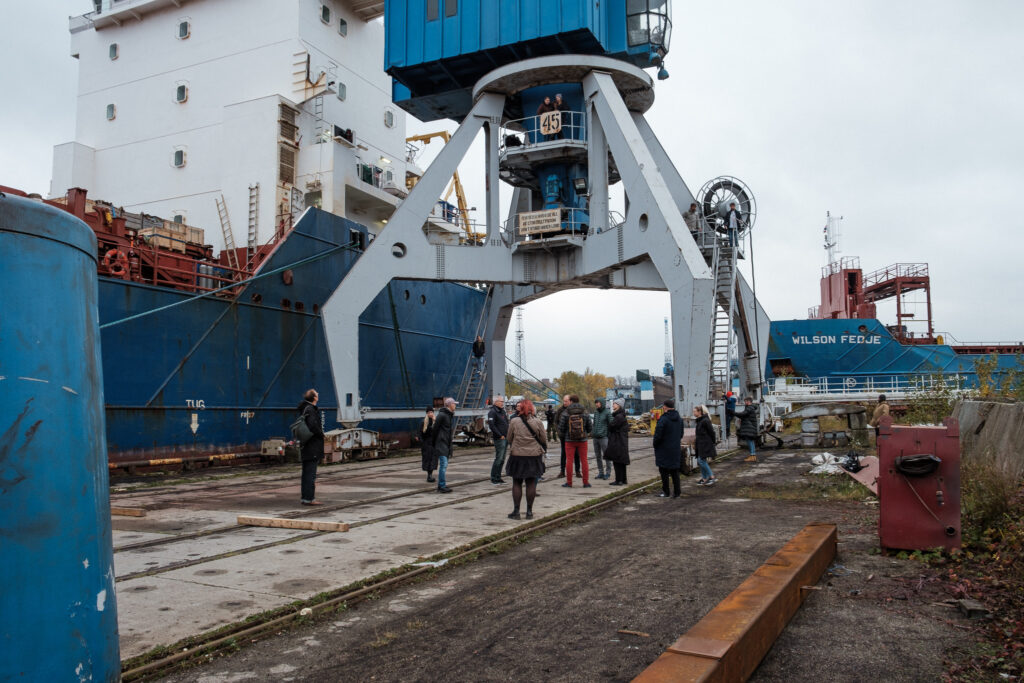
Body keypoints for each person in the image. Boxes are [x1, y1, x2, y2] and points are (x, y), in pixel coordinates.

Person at [506, 399, 547, 519]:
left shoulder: (514, 421)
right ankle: (529, 512)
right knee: (531, 483)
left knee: (517, 482)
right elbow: (543, 439)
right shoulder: (538, 422)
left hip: (517, 456)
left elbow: (509, 438)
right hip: (533, 456)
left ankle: (516, 511)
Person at [297, 388, 326, 505]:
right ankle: (309, 499)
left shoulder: (305, 408)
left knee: (306, 473)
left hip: (306, 445)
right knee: (310, 473)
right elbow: (313, 426)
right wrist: (321, 434)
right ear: (315, 398)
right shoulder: (311, 409)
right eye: (317, 393)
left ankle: (305, 497)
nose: (318, 393)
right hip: (312, 446)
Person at [558, 394, 593, 488]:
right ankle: (585, 483)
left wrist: (565, 434)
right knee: (584, 460)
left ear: (571, 401)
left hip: (569, 440)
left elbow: (561, 427)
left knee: (569, 460)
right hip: (583, 440)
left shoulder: (566, 412)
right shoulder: (584, 411)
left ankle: (569, 483)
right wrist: (585, 431)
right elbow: (590, 427)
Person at [653, 398, 683, 498]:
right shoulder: (679, 419)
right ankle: (677, 493)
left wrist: (655, 444)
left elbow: (658, 435)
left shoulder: (663, 419)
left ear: (665, 407)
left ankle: (666, 492)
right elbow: (681, 434)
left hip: (663, 449)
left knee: (664, 472)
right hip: (675, 448)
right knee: (675, 472)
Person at [431, 397, 456, 493]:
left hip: (445, 443)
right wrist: (435, 443)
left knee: (444, 464)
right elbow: (435, 429)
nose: (455, 405)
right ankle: (441, 486)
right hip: (441, 443)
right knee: (443, 464)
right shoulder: (442, 415)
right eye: (454, 404)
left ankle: (441, 485)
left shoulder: (449, 415)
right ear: (449, 405)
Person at [604, 399, 630, 485]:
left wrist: (609, 425)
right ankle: (623, 479)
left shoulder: (618, 416)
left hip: (617, 441)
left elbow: (611, 426)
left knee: (617, 461)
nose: (613, 405)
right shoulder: (621, 415)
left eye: (614, 404)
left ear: (619, 405)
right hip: (621, 440)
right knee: (621, 461)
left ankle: (618, 480)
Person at [487, 395, 509, 485]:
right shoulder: (492, 412)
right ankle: (494, 477)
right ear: (495, 402)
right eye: (501, 401)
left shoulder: (502, 411)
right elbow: (492, 426)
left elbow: (506, 423)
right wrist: (500, 435)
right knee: (499, 458)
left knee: (503, 459)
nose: (502, 403)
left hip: (505, 437)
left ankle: (498, 477)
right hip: (500, 438)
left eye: (503, 402)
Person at [693, 405, 717, 486]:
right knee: (701, 460)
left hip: (705, 443)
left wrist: (713, 442)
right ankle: (704, 478)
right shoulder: (700, 420)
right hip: (701, 444)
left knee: (701, 461)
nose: (694, 413)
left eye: (695, 411)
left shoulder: (705, 421)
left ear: (700, 412)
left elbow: (711, 432)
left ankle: (711, 476)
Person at [591, 397, 612, 480]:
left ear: (602, 403)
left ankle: (608, 473)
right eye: (596, 403)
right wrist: (593, 432)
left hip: (604, 437)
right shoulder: (596, 412)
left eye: (598, 402)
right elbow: (594, 423)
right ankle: (601, 472)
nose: (596, 404)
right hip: (595, 437)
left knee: (606, 455)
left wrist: (607, 435)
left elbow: (611, 424)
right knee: (598, 456)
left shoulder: (607, 412)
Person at [420, 407, 437, 483]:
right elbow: (421, 433)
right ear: (427, 413)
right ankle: (429, 475)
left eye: (432, 412)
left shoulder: (436, 421)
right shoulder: (424, 422)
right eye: (429, 412)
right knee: (427, 460)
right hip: (426, 444)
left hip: (433, 443)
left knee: (433, 460)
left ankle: (430, 475)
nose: (431, 414)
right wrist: (422, 442)